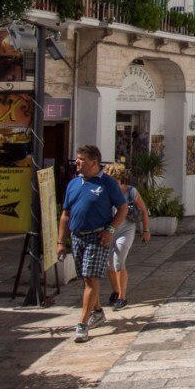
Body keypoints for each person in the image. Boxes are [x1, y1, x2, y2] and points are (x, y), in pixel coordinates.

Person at [57, 145, 127, 343]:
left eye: (81, 160)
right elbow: (65, 214)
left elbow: (122, 208)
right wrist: (61, 241)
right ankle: (97, 311)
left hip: (98, 237)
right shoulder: (73, 184)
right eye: (77, 159)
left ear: (94, 163)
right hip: (77, 237)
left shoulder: (107, 183)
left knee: (90, 278)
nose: (77, 163)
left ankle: (82, 324)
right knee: (86, 279)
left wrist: (110, 230)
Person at [104, 163, 150, 311]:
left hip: (126, 229)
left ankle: (122, 297)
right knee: (109, 264)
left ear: (121, 179)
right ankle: (116, 290)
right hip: (109, 230)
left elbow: (143, 210)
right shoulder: (105, 192)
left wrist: (146, 230)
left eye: (115, 179)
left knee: (118, 261)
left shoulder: (131, 192)